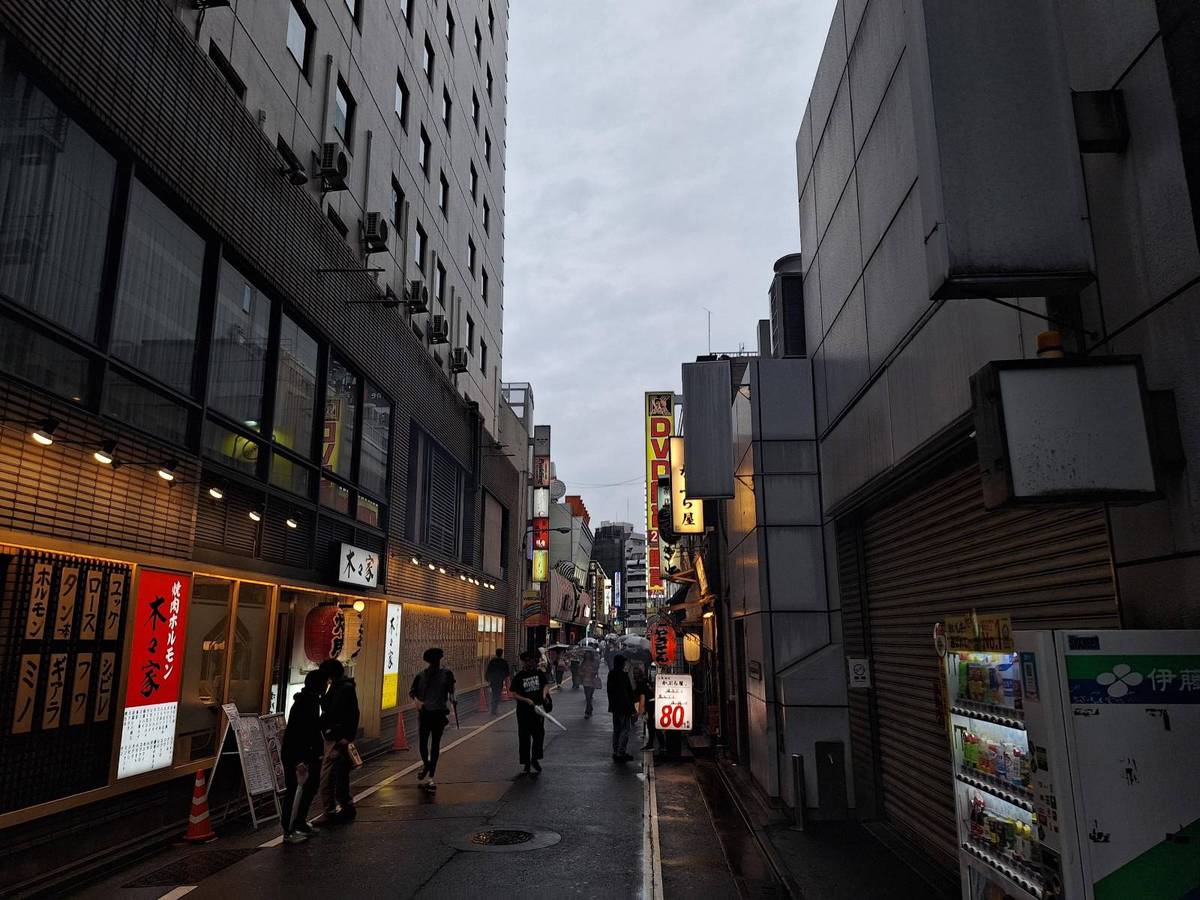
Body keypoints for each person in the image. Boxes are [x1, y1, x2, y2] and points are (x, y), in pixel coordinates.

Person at [280, 669, 328, 843]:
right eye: (325, 683)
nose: (327, 686)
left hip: (306, 754)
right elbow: (299, 734)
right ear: (319, 685)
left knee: (308, 789)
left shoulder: (311, 701)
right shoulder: (306, 704)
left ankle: (300, 823)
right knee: (294, 791)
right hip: (298, 756)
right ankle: (288, 831)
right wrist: (300, 760)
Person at [315, 659, 359, 823]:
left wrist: (346, 738)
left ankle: (330, 811)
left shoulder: (343, 688)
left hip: (337, 737)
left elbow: (350, 714)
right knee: (340, 774)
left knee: (327, 776)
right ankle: (346, 806)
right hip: (337, 736)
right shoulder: (339, 686)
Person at [409, 647, 456, 791]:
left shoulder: (446, 674)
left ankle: (430, 774)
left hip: (436, 713)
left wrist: (453, 699)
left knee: (432, 743)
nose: (435, 662)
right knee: (426, 744)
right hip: (427, 713)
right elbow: (412, 692)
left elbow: (451, 691)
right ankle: (428, 766)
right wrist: (417, 701)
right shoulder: (422, 676)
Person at [510, 649, 551, 775]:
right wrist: (526, 700)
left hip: (538, 710)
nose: (529, 663)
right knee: (524, 737)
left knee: (539, 735)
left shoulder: (539, 673)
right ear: (523, 662)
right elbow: (514, 694)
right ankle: (526, 763)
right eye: (527, 661)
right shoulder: (519, 676)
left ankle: (535, 758)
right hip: (523, 712)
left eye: (531, 661)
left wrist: (544, 695)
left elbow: (546, 685)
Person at [607, 654, 637, 763]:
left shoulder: (611, 674)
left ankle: (616, 751)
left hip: (615, 706)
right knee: (625, 729)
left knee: (616, 729)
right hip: (624, 707)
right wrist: (632, 707)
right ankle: (621, 752)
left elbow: (610, 691)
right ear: (621, 663)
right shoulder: (623, 675)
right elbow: (628, 692)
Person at [484, 648, 510, 715]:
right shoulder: (504, 662)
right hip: (500, 680)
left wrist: (488, 678)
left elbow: (488, 670)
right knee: (498, 694)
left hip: (493, 680)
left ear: (496, 653)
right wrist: (503, 677)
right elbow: (507, 672)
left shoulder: (492, 661)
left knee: (494, 694)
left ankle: (493, 708)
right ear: (501, 654)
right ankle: (495, 708)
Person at [579, 649, 601, 717]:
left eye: (588, 654)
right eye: (586, 654)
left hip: (592, 680)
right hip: (585, 680)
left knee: (589, 696)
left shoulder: (595, 661)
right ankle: (588, 711)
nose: (587, 655)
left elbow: (596, 670)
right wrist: (582, 673)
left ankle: (589, 710)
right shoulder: (583, 662)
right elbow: (580, 670)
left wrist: (592, 672)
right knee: (588, 696)